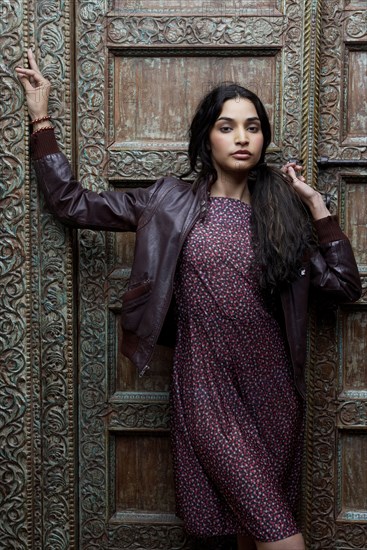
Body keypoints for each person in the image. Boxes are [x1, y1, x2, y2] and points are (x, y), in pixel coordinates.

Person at [16, 49, 361, 550]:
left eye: (253, 127)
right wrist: (41, 116)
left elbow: (343, 287)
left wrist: (315, 205)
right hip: (205, 388)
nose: (242, 137)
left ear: (263, 138)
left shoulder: (282, 213)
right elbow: (72, 202)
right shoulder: (167, 200)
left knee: (248, 535)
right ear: (206, 137)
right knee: (281, 539)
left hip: (274, 394)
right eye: (227, 126)